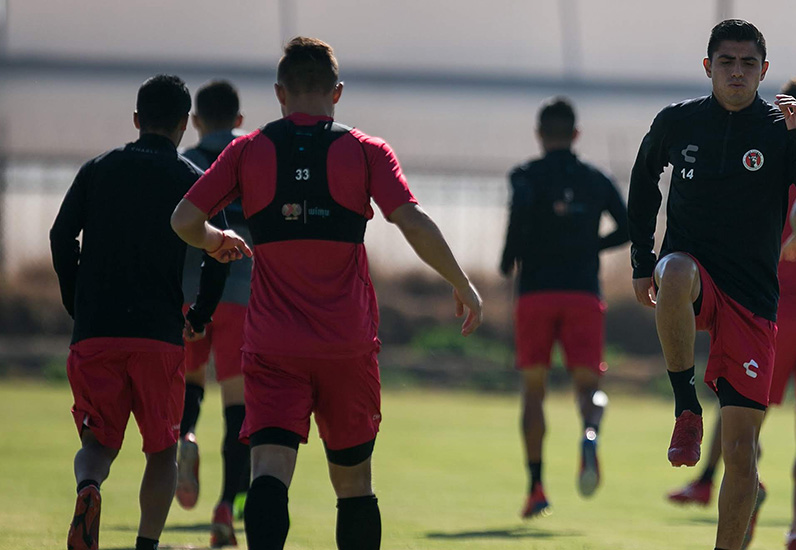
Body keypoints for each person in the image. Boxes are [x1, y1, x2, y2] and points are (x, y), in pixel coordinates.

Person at [170, 37, 483, 550]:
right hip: (347, 346)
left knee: (270, 468)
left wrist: (218, 239)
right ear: (336, 93)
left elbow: (183, 218)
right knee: (355, 484)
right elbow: (412, 221)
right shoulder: (366, 151)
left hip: (273, 346)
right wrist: (461, 282)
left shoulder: (247, 151)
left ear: (279, 93)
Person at [628, 19, 796, 550]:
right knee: (673, 270)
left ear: (764, 71)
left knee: (743, 447)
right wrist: (641, 259)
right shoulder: (678, 122)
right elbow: (642, 179)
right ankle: (685, 406)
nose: (737, 72)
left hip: (752, 298)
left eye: (749, 64)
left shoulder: (781, 130)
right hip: (695, 277)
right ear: (708, 67)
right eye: (727, 62)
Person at [50, 74, 233, 550]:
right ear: (181, 126)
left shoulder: (97, 169)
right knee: (161, 451)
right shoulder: (192, 179)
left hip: (96, 331)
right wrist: (200, 314)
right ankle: (145, 545)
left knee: (97, 444)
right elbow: (223, 248)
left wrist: (76, 300)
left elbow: (60, 236)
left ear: (136, 120)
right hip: (158, 334)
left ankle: (88, 488)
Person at [500, 96, 629, 518]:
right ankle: (590, 432)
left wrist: (509, 257)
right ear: (576, 134)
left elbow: (518, 217)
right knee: (589, 388)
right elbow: (628, 226)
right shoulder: (595, 178)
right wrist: (592, 244)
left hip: (536, 291)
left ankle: (536, 486)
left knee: (533, 391)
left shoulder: (525, 175)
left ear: (540, 134)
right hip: (582, 293)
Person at [174, 79, 253, 547]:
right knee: (238, 404)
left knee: (191, 381)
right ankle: (225, 507)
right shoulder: (254, 157)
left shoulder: (186, 163)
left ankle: (185, 437)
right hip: (242, 292)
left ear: (196, 122)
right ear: (240, 121)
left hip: (190, 293)